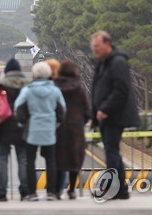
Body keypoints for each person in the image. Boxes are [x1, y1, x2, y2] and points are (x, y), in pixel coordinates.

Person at [90, 30, 140, 200]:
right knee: (113, 152)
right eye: (93, 47)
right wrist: (94, 113)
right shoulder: (104, 62)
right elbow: (98, 89)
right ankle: (120, 189)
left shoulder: (117, 62)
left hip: (113, 115)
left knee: (112, 152)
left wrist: (104, 109)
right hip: (105, 115)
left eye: (97, 46)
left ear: (107, 44)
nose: (94, 49)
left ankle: (115, 188)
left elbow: (121, 90)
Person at [14, 61, 66, 201]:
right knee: (51, 161)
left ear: (34, 74)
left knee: (30, 161)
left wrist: (22, 123)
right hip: (49, 128)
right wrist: (56, 123)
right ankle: (51, 192)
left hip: (32, 128)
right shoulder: (55, 90)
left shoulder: (28, 90)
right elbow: (62, 109)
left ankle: (32, 193)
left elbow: (18, 107)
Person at [0, 58, 30, 202]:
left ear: (6, 71)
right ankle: (25, 192)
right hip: (22, 126)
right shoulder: (27, 84)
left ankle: (2, 192)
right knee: (23, 159)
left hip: (3, 127)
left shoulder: (0, 85)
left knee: (2, 160)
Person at [54, 60, 91, 200]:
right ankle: (72, 190)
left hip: (58, 126)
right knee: (75, 159)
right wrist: (84, 119)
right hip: (76, 127)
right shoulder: (79, 89)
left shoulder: (55, 87)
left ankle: (57, 190)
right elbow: (87, 111)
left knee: (59, 158)